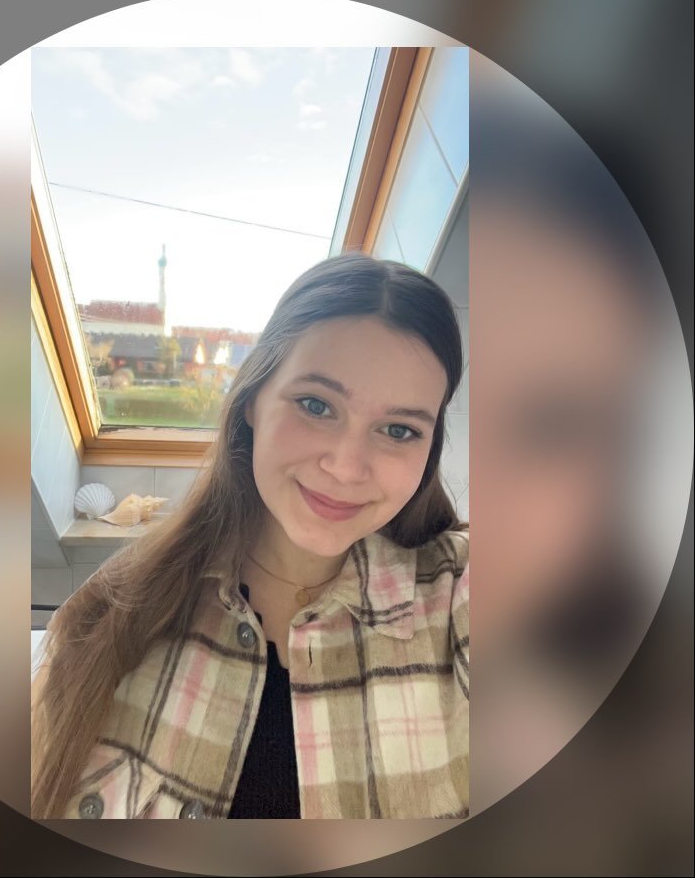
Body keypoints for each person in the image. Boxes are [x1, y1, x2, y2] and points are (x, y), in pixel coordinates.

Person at [31, 253, 470, 820]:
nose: (346, 466)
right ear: (252, 404)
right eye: (316, 405)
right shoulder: (106, 618)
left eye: (399, 430)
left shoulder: (464, 597)